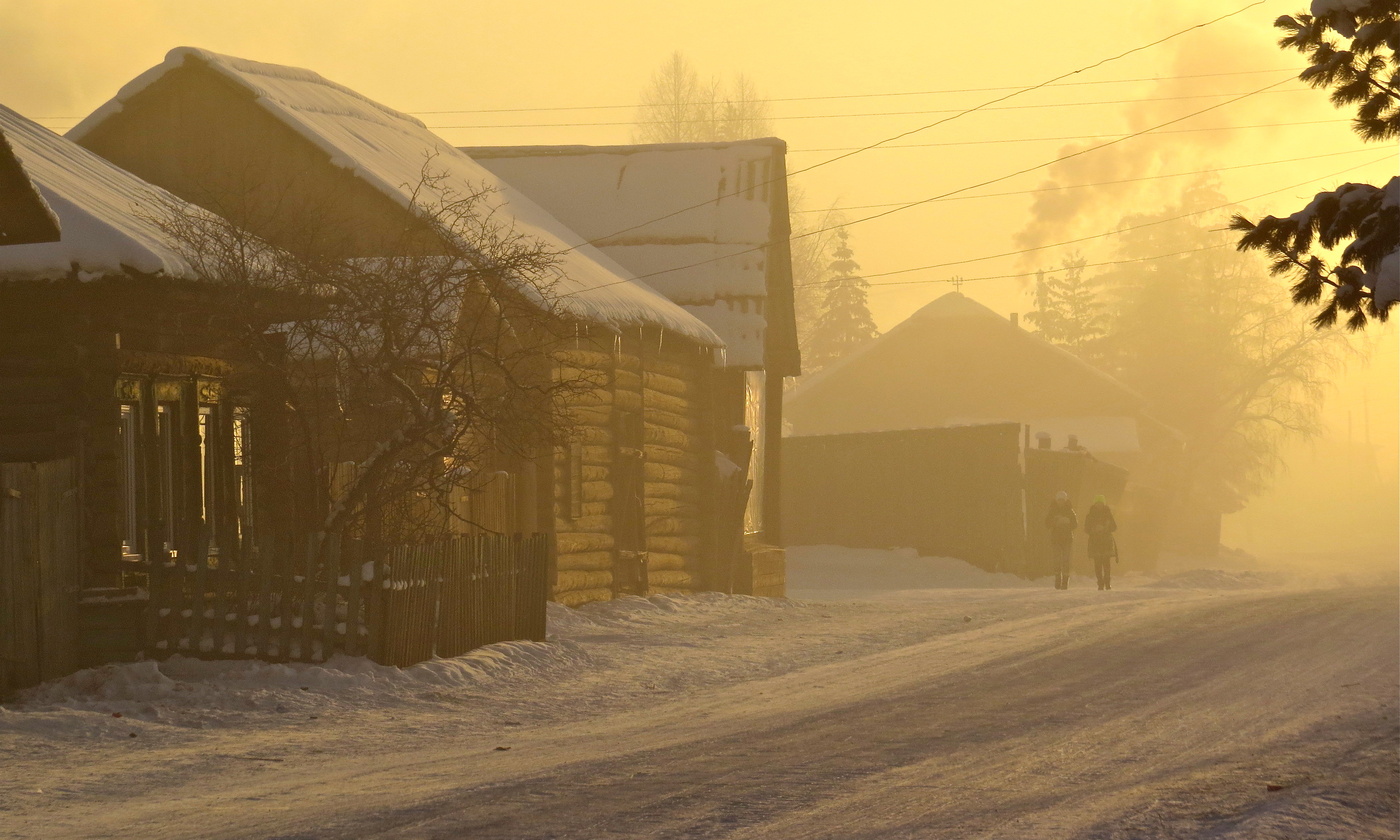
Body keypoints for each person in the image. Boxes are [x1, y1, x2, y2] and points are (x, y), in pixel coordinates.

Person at [1084, 495, 1118, 591]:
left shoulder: (1108, 515)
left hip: (1106, 542)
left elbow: (1114, 527)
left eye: (1101, 503)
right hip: (1095, 542)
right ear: (1095, 504)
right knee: (1098, 564)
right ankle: (1100, 583)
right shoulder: (1090, 516)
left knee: (1106, 564)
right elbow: (1086, 529)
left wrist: (1106, 528)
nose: (1099, 505)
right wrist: (1094, 529)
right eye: (1098, 503)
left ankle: (1107, 583)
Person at [1044, 491, 1077, 589]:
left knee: (1066, 560)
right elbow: (1047, 523)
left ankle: (1065, 582)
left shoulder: (1070, 511)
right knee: (1057, 560)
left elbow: (1075, 524)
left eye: (1062, 500)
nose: (1060, 502)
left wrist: (1067, 522)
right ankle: (1058, 580)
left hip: (1067, 538)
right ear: (1056, 500)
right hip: (1056, 539)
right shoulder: (1052, 511)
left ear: (1065, 501)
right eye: (1059, 500)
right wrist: (1055, 522)